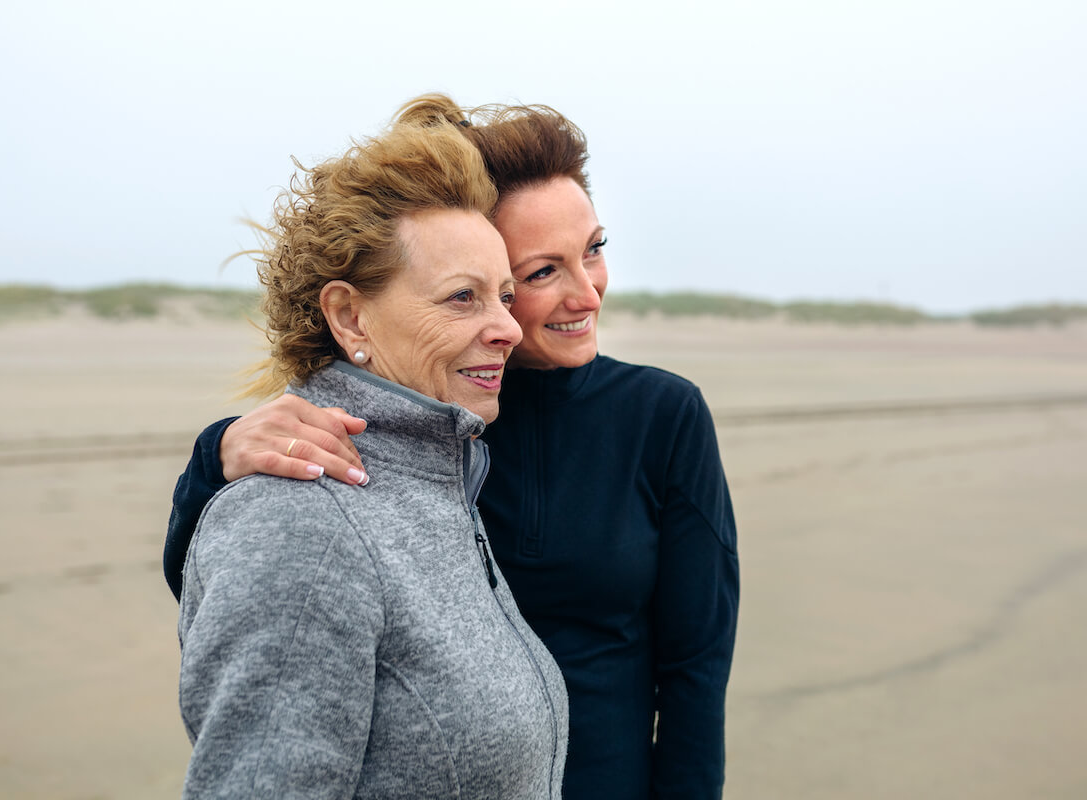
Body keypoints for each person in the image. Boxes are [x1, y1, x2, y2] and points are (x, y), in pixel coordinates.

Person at [168, 95, 738, 800]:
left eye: (593, 249)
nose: (587, 294)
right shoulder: (403, 430)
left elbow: (695, 671)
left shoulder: (655, 413)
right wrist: (216, 455)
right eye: (537, 273)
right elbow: (258, 596)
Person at [175, 113, 568, 799]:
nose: (508, 328)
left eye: (505, 295)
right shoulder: (303, 522)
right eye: (462, 297)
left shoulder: (437, 483)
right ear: (351, 316)